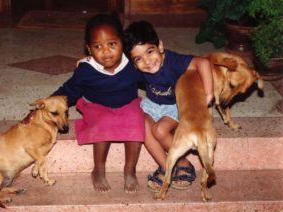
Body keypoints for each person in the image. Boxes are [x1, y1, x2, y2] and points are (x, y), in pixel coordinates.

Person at [52, 14, 145, 193]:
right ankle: (99, 170)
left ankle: (130, 169)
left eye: (112, 44)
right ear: (89, 49)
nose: (106, 51)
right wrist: (49, 103)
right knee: (104, 122)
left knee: (136, 120)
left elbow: (152, 77)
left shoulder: (133, 65)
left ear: (122, 44)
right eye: (98, 46)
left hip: (128, 103)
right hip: (96, 104)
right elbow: (69, 89)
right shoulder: (86, 70)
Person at [124, 21, 214, 192]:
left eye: (150, 52)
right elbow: (114, 64)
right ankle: (166, 167)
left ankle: (182, 163)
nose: (147, 61)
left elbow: (203, 62)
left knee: (159, 130)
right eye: (139, 59)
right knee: (141, 125)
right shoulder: (136, 67)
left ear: (160, 46)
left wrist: (209, 94)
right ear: (134, 62)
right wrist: (90, 61)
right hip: (151, 104)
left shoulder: (173, 61)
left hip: (175, 106)